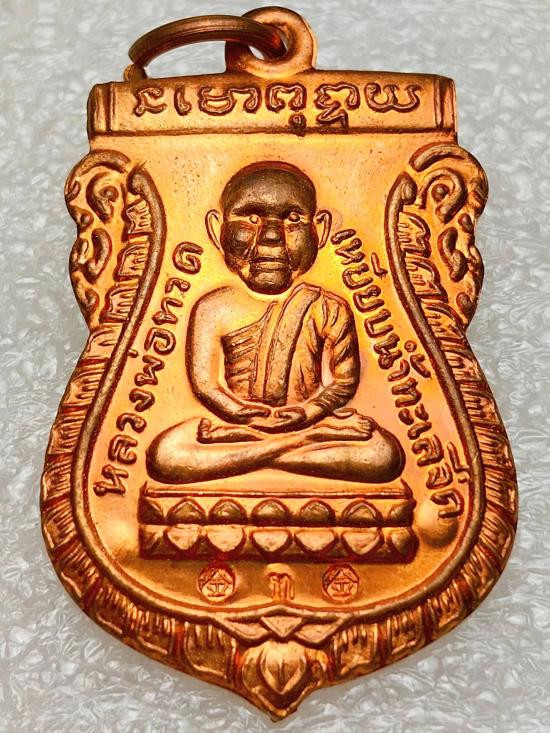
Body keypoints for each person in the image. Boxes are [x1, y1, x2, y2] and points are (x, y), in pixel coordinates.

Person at [147, 162, 404, 484]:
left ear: (321, 230)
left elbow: (343, 382)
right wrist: (238, 413)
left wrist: (309, 413)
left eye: (293, 219)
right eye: (251, 218)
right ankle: (298, 446)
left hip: (307, 421)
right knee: (166, 455)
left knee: (382, 454)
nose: (271, 237)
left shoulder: (328, 307)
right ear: (216, 230)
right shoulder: (213, 307)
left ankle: (273, 450)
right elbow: (205, 384)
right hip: (236, 427)